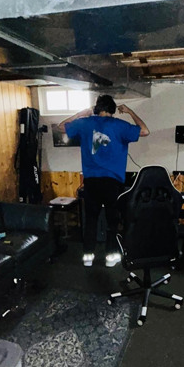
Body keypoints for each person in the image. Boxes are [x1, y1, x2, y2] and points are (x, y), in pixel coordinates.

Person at [58, 94, 150, 267]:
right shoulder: (119, 125)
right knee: (112, 221)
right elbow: (144, 131)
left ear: (97, 108)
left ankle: (88, 256)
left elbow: (61, 127)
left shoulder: (85, 123)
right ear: (112, 109)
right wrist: (129, 111)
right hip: (112, 182)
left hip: (91, 181)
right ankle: (110, 257)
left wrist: (80, 114)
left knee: (91, 219)